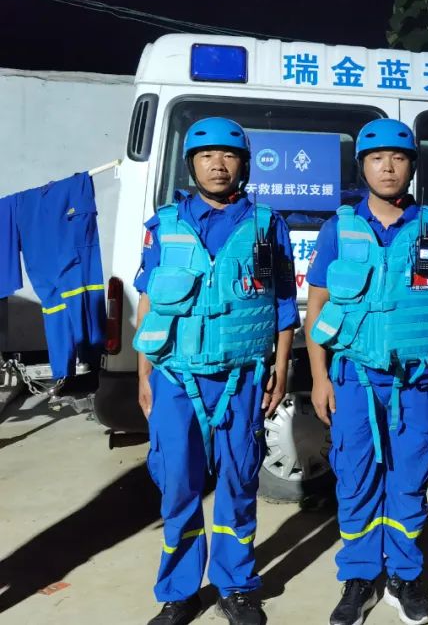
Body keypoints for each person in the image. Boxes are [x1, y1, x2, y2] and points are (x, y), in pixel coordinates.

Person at [134, 117, 298, 625]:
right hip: (173, 377)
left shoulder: (267, 225)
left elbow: (283, 304)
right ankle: (179, 592)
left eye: (228, 155)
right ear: (192, 165)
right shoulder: (164, 225)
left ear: (243, 165)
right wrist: (143, 375)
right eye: (206, 156)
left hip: (241, 378)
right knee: (177, 485)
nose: (218, 165)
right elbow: (147, 302)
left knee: (238, 483)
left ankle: (237, 586)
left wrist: (281, 367)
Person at [306, 118, 428, 625]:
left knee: (409, 479)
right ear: (363, 167)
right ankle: (359, 577)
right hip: (353, 377)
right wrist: (319, 377)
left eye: (398, 158)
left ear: (411, 166)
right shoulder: (339, 228)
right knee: (354, 478)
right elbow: (317, 304)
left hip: (415, 381)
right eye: (377, 158)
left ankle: (404, 575)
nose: (388, 167)